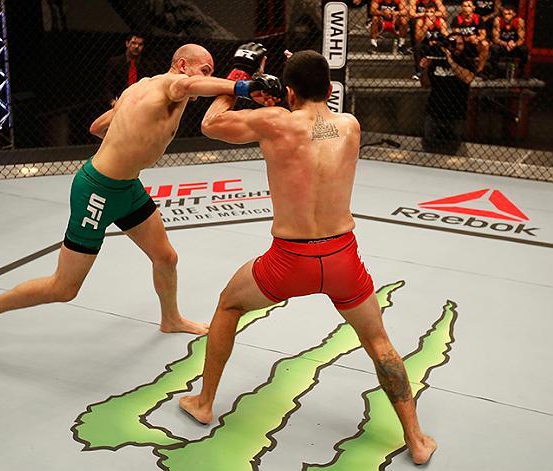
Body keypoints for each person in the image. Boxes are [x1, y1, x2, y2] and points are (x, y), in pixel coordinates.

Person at [179, 50, 437, 465]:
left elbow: (210, 124)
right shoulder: (350, 125)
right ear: (331, 89)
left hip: (288, 262)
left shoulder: (274, 122)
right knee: (378, 341)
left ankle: (205, 402)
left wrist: (242, 78)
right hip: (342, 260)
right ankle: (417, 438)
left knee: (228, 304)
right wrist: (286, 101)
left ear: (290, 92)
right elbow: (316, 126)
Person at [0, 43, 281, 349]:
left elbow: (97, 126)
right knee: (64, 287)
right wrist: (240, 88)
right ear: (182, 65)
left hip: (127, 188)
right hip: (97, 191)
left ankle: (170, 318)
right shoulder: (173, 84)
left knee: (166, 258)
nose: (206, 77)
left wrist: (127, 137)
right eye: (204, 69)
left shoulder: (143, 89)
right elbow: (185, 86)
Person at [419, 33, 476, 154]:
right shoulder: (436, 59)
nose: (456, 47)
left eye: (459, 44)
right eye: (453, 43)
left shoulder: (466, 60)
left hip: (456, 113)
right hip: (434, 111)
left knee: (455, 148)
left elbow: (468, 78)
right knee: (429, 147)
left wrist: (450, 61)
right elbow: (425, 84)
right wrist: (424, 69)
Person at [104, 33, 154, 108]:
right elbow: (108, 86)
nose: (137, 46)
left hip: (140, 103)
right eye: (133, 43)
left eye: (140, 44)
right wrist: (113, 102)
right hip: (119, 102)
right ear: (127, 43)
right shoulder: (115, 62)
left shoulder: (148, 65)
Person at [451, 0, 490, 75]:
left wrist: (476, 38)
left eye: (469, 6)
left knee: (485, 44)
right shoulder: (457, 19)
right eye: (464, 6)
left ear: (473, 8)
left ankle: (479, 71)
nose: (466, 8)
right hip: (462, 45)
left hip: (475, 44)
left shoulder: (478, 18)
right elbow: (456, 36)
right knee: (456, 43)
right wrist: (469, 38)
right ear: (461, 8)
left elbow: (483, 35)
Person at [490, 4, 528, 77]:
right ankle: (494, 71)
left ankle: (521, 71)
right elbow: (495, 38)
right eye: (505, 14)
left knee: (524, 49)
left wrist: (514, 44)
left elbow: (521, 39)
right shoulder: (498, 20)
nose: (506, 16)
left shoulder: (519, 21)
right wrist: (506, 44)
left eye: (509, 14)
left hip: (514, 46)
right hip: (502, 46)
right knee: (494, 48)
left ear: (514, 14)